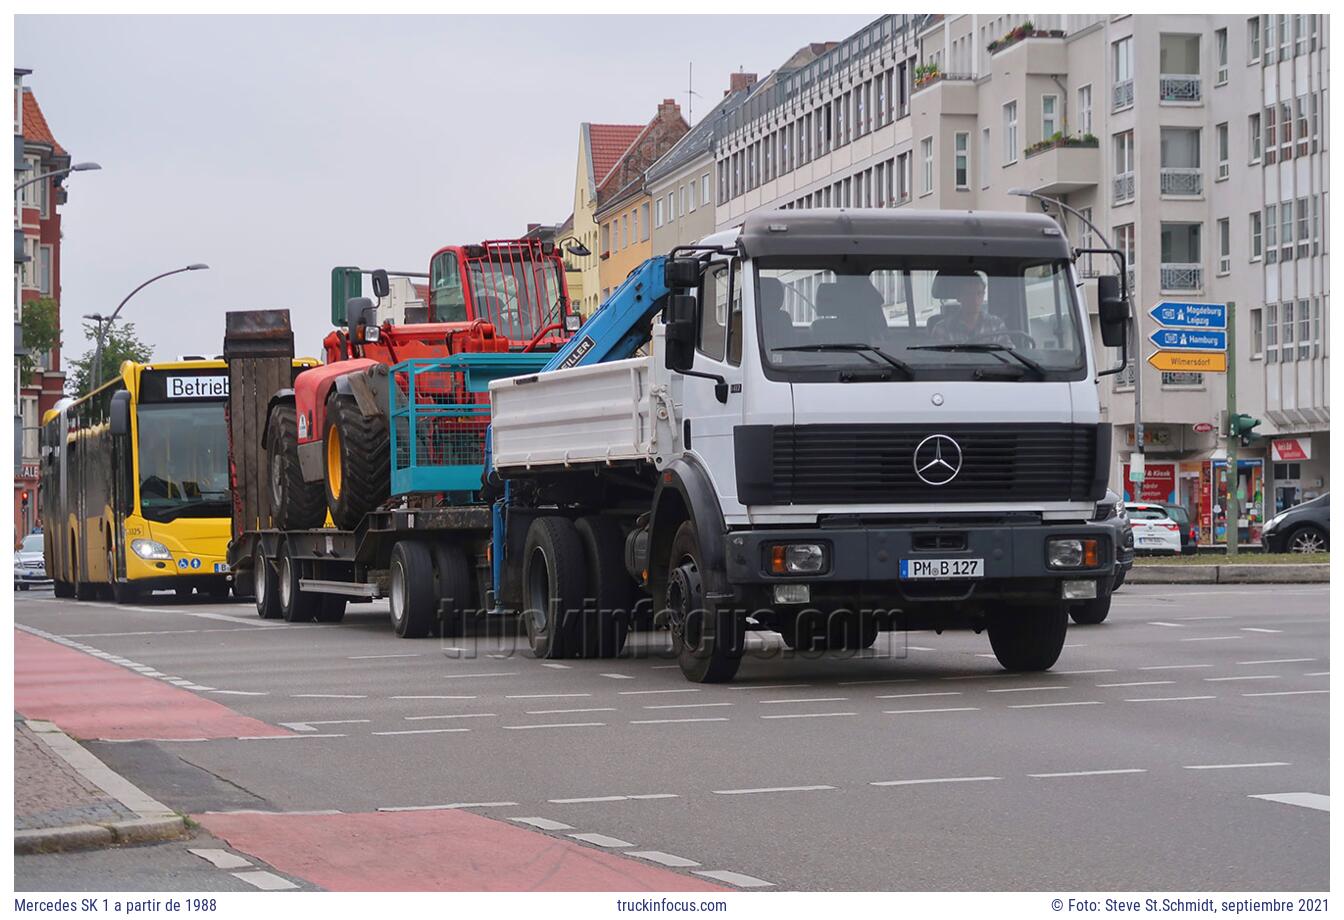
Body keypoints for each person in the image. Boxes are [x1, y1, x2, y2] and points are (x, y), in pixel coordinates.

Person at [930, 273, 1009, 343]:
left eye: (979, 293)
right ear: (959, 297)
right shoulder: (942, 329)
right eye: (969, 294)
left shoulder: (996, 325)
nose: (975, 299)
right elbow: (938, 359)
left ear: (983, 295)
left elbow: (1008, 356)